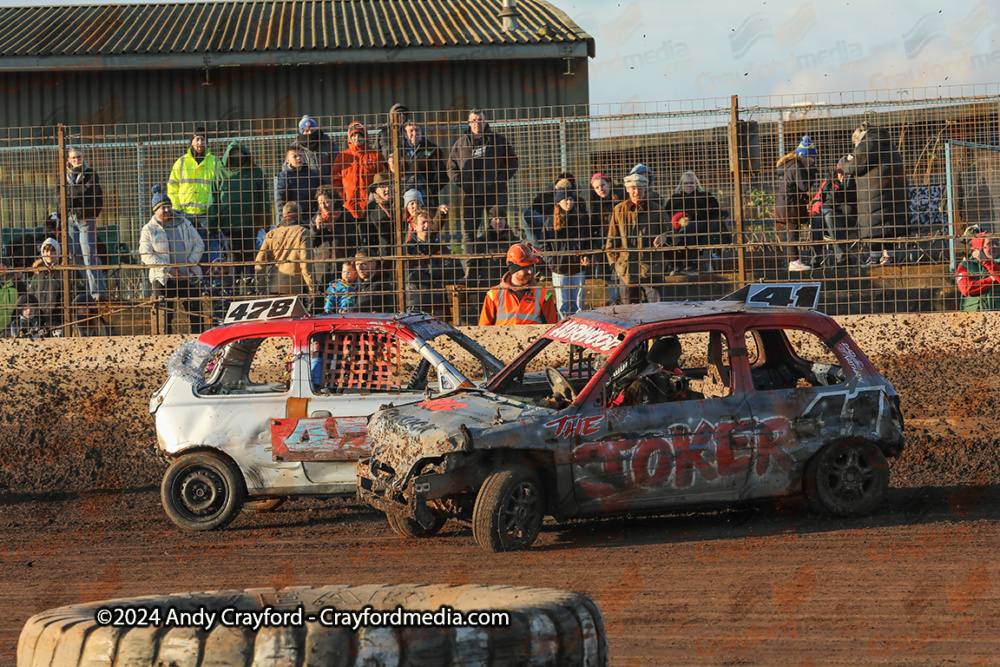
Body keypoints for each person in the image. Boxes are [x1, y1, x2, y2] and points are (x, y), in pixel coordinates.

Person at [447, 109, 520, 257]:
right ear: (469, 122)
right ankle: (471, 269)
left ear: (485, 122)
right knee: (469, 232)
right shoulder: (461, 143)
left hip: (495, 192)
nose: (477, 123)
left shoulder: (498, 140)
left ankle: (501, 264)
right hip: (471, 194)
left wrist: (499, 179)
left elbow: (513, 161)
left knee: (499, 227)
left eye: (480, 120)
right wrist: (463, 183)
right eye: (473, 120)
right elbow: (451, 167)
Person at [842, 122, 910, 266]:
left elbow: (856, 166)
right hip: (889, 192)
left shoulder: (869, 142)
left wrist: (845, 164)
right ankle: (888, 257)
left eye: (855, 144)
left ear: (858, 138)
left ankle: (874, 258)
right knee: (887, 226)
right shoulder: (885, 141)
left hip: (875, 192)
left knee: (875, 225)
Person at [139, 185, 205, 334]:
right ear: (155, 211)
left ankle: (199, 340)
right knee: (164, 314)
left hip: (187, 274)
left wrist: (190, 263)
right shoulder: (148, 229)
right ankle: (163, 340)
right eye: (163, 207)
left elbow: (199, 243)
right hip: (163, 277)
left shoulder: (185, 223)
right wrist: (167, 268)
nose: (167, 210)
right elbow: (145, 254)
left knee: (195, 313)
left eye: (169, 206)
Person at [605, 173, 669, 304]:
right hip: (627, 269)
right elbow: (611, 241)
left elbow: (672, 233)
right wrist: (616, 265)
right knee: (629, 311)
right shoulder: (619, 210)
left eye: (639, 187)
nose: (636, 191)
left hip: (652, 268)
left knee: (657, 309)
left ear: (645, 188)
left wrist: (664, 238)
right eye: (633, 188)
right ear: (627, 189)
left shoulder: (656, 210)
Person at [207, 141, 268, 274]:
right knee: (233, 257)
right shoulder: (220, 173)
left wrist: (265, 222)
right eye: (233, 153)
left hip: (250, 223)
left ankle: (249, 285)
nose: (236, 155)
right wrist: (211, 225)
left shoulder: (255, 172)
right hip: (228, 224)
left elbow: (264, 198)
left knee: (249, 255)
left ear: (244, 153)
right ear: (227, 155)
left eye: (238, 152)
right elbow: (213, 200)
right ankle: (234, 286)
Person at [541, 180, 590, 319]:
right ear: (558, 202)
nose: (569, 202)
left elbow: (588, 242)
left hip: (577, 267)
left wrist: (586, 256)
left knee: (578, 306)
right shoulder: (550, 222)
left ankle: (579, 331)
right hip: (559, 269)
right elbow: (544, 246)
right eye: (565, 200)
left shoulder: (581, 219)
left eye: (571, 199)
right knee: (563, 305)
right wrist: (553, 263)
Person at [63, 146, 107, 300]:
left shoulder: (90, 174)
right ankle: (83, 292)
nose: (77, 160)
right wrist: (74, 194)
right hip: (69, 219)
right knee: (73, 256)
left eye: (79, 157)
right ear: (68, 160)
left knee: (89, 254)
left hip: (86, 218)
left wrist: (69, 192)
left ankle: (97, 293)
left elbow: (90, 192)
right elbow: (58, 196)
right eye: (73, 157)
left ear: (83, 157)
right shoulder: (62, 177)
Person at [479, 243, 557, 326]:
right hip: (502, 338)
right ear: (514, 270)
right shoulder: (494, 294)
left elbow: (552, 328)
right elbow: (483, 327)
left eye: (531, 267)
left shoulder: (544, 295)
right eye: (525, 268)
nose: (530, 271)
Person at [664, 171, 727, 271]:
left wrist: (692, 216)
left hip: (702, 226)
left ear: (696, 184)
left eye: (691, 183)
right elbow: (666, 215)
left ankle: (690, 263)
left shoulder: (705, 196)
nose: (689, 185)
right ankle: (677, 264)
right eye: (686, 183)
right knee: (674, 235)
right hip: (677, 227)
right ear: (681, 185)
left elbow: (715, 213)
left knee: (686, 231)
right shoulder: (675, 199)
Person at [774, 136, 819, 272]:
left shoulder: (791, 165)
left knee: (792, 234)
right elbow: (804, 186)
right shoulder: (796, 167)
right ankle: (794, 262)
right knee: (792, 234)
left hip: (786, 205)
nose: (813, 160)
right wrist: (812, 173)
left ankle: (794, 261)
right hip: (789, 206)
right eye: (812, 158)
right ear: (805, 156)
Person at [403, 208, 461, 315]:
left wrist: (426, 269)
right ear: (414, 227)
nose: (427, 225)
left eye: (429, 222)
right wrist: (434, 272)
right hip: (416, 301)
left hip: (437, 300)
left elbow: (450, 269)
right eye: (423, 223)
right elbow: (410, 275)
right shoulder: (407, 249)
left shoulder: (440, 247)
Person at [254, 202, 315, 300]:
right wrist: (312, 289)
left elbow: (260, 262)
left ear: (283, 215)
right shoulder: (303, 232)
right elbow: (306, 264)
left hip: (275, 287)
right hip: (296, 288)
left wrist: (262, 287)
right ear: (299, 214)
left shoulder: (272, 234)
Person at [167, 127, 219, 240]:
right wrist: (176, 209)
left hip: (207, 214)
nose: (200, 143)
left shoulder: (215, 162)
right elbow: (172, 187)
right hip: (185, 214)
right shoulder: (181, 162)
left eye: (203, 139)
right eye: (197, 139)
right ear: (191, 142)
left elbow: (222, 187)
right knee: (187, 246)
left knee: (206, 246)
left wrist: (216, 209)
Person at [807, 157, 857, 267]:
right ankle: (816, 257)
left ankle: (842, 256)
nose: (842, 175)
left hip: (849, 219)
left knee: (830, 216)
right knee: (817, 218)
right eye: (840, 172)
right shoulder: (827, 183)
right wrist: (820, 208)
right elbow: (816, 200)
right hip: (827, 216)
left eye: (846, 173)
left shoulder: (856, 184)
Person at [332, 121, 386, 222]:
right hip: (348, 205)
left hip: (371, 205)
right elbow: (336, 180)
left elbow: (382, 178)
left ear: (365, 136)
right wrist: (342, 198)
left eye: (360, 135)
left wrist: (377, 197)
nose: (357, 139)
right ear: (349, 137)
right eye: (354, 135)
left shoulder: (376, 155)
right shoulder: (342, 156)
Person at [309, 186, 352, 288]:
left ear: (334, 200)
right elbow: (311, 243)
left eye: (327, 202)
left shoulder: (346, 216)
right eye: (320, 203)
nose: (324, 206)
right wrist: (315, 229)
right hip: (322, 267)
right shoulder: (316, 218)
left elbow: (353, 242)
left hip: (342, 266)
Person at [399, 120, 446, 207]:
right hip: (405, 196)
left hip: (428, 196)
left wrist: (430, 190)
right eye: (411, 131)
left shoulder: (432, 149)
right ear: (405, 134)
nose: (414, 134)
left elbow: (443, 174)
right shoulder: (399, 151)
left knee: (428, 220)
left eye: (417, 130)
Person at [275, 145, 322, 220]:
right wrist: (283, 216)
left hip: (312, 215)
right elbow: (281, 198)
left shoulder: (312, 174)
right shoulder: (285, 176)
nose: (299, 158)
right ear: (288, 160)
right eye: (295, 156)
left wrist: (319, 213)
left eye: (300, 155)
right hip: (294, 216)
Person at [957, 231, 1000, 311]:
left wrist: (986, 261)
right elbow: (966, 288)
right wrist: (991, 279)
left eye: (996, 243)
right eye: (989, 244)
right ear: (979, 247)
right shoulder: (965, 265)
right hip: (973, 316)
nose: (995, 246)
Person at [28, 237, 64, 332]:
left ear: (58, 253)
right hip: (38, 322)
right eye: (46, 251)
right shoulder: (38, 272)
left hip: (58, 322)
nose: (49, 255)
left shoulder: (64, 271)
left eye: (53, 251)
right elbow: (31, 295)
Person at [294, 115, 339, 182]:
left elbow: (338, 167)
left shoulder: (329, 144)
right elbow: (288, 168)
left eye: (312, 130)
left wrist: (327, 180)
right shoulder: (295, 147)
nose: (309, 133)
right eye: (306, 131)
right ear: (301, 132)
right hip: (305, 186)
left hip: (327, 185)